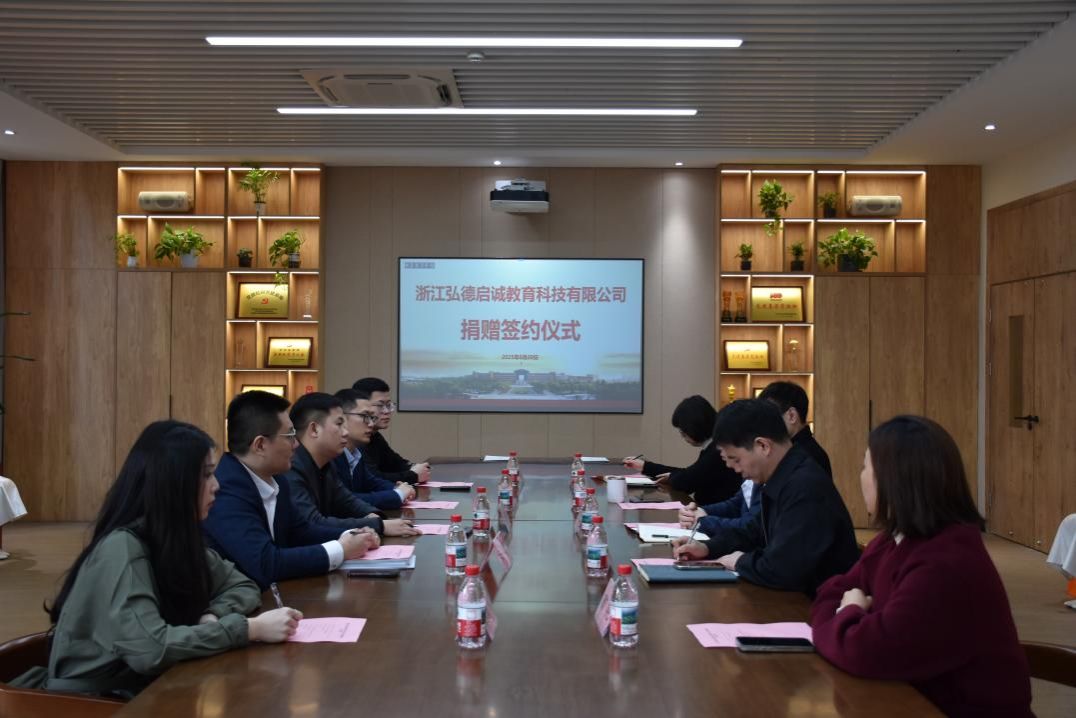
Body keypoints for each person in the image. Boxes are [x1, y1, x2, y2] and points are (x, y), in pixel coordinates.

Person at [12, 421, 302, 697]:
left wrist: (213, 616)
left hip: (146, 688)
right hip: (91, 703)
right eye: (205, 475)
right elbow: (151, 650)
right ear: (172, 483)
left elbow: (242, 585)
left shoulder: (174, 538)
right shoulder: (122, 547)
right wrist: (248, 629)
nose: (216, 485)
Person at [810, 416, 1032, 718]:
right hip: (908, 698)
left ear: (893, 480)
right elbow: (828, 594)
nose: (860, 477)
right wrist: (851, 617)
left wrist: (849, 611)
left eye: (865, 467)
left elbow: (868, 652)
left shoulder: (947, 563)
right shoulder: (892, 541)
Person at [672, 399, 858, 595]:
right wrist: (707, 548)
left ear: (763, 446)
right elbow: (755, 530)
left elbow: (783, 568)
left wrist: (739, 561)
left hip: (815, 603)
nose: (732, 467)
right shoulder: (782, 475)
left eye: (735, 459)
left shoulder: (804, 487)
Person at [203, 391, 379, 590]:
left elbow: (302, 531)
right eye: (289, 436)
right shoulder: (226, 489)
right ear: (260, 445)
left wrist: (353, 534)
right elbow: (265, 564)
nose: (296, 444)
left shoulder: (277, 479)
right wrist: (341, 549)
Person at [678, 381, 831, 533]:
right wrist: (701, 513)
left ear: (791, 415)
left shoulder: (805, 461)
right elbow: (743, 502)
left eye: (736, 459)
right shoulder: (777, 457)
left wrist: (704, 522)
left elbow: (757, 528)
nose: (764, 424)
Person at [280, 392, 418, 536]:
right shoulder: (290, 467)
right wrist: (379, 525)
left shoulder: (326, 464)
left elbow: (346, 501)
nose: (345, 432)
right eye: (339, 424)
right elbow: (311, 523)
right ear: (314, 429)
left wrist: (373, 516)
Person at [621, 395, 740, 505]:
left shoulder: (717, 450)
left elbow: (687, 481)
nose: (683, 438)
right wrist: (645, 466)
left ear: (695, 427)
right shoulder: (712, 446)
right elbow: (690, 473)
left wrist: (670, 476)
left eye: (683, 433)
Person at [333, 388, 417, 510]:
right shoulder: (331, 456)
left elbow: (372, 482)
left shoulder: (357, 452)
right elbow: (344, 500)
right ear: (341, 418)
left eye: (371, 417)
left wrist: (395, 488)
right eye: (365, 416)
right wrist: (398, 494)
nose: (371, 424)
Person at [352, 377, 430, 484]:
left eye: (388, 405)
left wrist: (416, 468)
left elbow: (395, 463)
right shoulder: (355, 439)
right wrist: (413, 475)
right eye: (380, 405)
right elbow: (372, 478)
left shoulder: (375, 436)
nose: (387, 411)